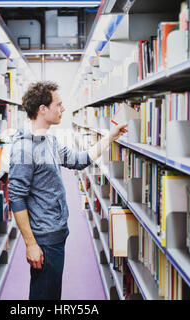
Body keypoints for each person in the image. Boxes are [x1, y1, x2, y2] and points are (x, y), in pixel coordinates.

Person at [8, 81, 127, 300]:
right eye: (59, 104)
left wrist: (110, 136)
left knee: (51, 294)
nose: (63, 109)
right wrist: (31, 244)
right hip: (44, 238)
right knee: (44, 296)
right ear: (43, 109)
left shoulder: (50, 140)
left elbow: (79, 161)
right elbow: (16, 197)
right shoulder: (24, 148)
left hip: (56, 232)